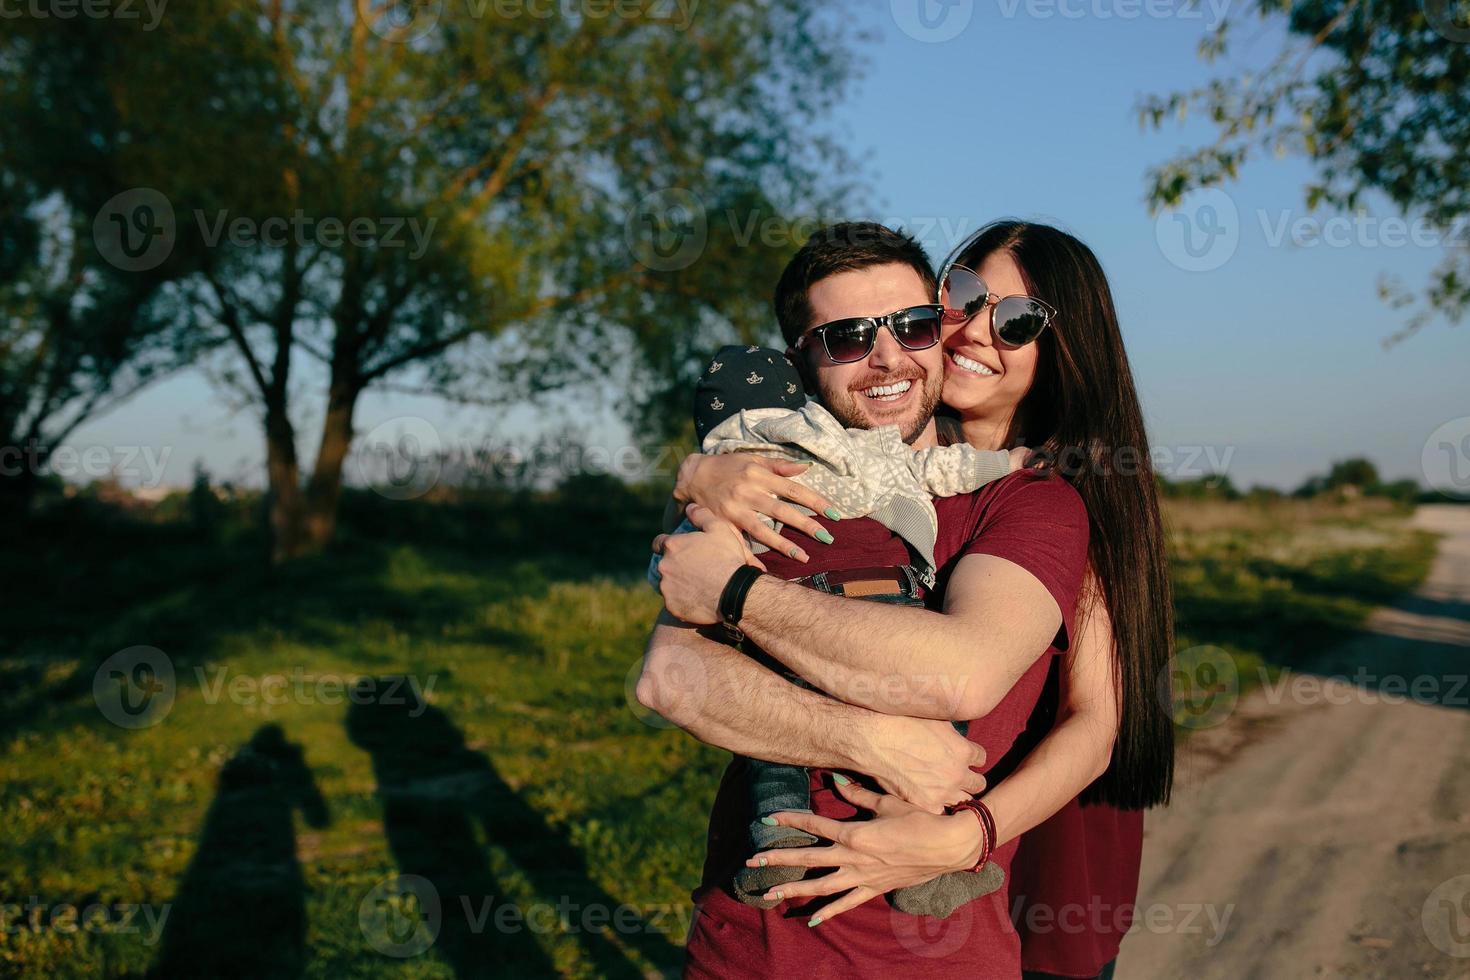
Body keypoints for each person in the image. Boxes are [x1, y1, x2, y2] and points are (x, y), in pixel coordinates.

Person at [668, 219, 1177, 979]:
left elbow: (1090, 720)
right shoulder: (833, 452)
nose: (975, 330)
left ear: (1063, 348)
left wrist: (967, 835)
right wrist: (707, 469)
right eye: (964, 296)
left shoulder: (1057, 495)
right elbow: (670, 674)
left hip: (1021, 831)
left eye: (1019, 320)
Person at [649, 341, 1027, 914]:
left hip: (773, 623)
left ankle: (778, 841)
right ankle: (926, 854)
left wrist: (693, 482)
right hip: (877, 595)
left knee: (774, 753)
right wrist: (1009, 464)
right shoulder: (838, 440)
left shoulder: (725, 489)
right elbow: (934, 467)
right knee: (918, 705)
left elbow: (676, 568)